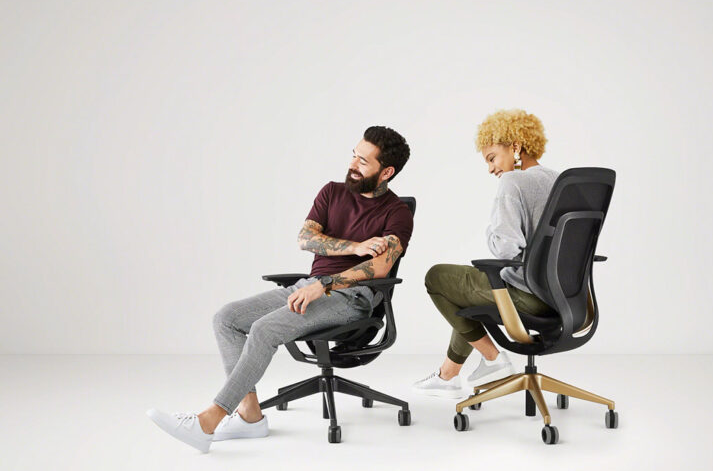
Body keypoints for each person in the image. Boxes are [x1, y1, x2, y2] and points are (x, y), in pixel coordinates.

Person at [148, 126, 413, 452]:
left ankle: (208, 421)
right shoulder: (332, 192)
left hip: (351, 297)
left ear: (387, 171)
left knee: (264, 329)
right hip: (309, 286)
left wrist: (326, 284)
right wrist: (355, 247)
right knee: (226, 318)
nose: (353, 165)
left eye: (363, 161)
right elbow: (306, 239)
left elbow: (382, 266)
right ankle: (250, 417)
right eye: (353, 155)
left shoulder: (397, 213)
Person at [413, 109, 558, 398]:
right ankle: (449, 375)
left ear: (516, 146)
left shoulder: (513, 182)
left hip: (527, 297)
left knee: (438, 277)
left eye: (492, 157)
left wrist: (492, 228)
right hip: (563, 299)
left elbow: (505, 247)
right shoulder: (559, 181)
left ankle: (493, 359)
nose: (491, 169)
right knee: (468, 291)